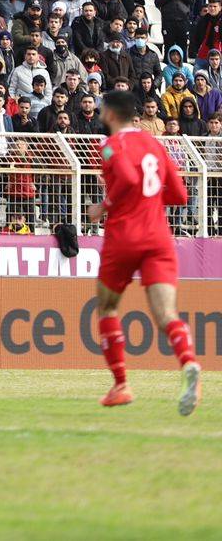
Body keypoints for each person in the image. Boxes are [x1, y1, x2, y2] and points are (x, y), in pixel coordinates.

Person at [89, 89, 202, 413]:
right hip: (159, 238)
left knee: (107, 307)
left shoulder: (111, 146)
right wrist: (148, 199)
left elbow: (125, 176)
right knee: (167, 315)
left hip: (125, 236)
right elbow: (180, 195)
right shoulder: (155, 144)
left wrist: (105, 206)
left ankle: (121, 385)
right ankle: (189, 363)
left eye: (102, 110)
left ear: (111, 114)